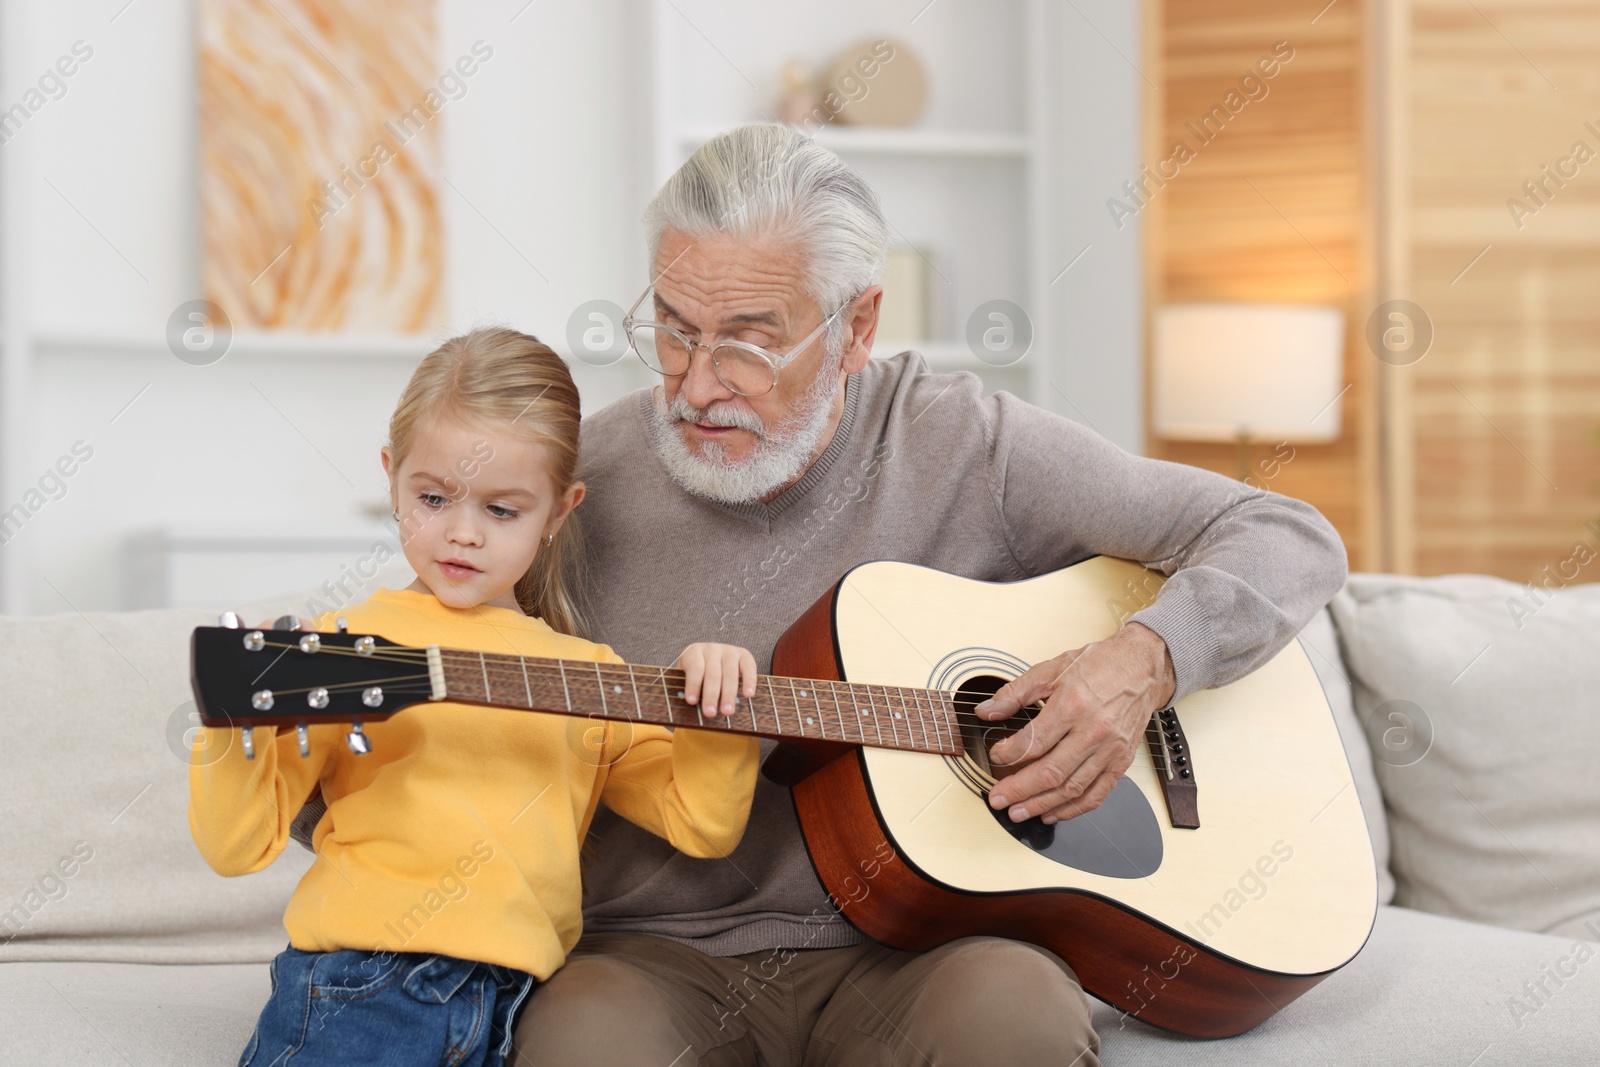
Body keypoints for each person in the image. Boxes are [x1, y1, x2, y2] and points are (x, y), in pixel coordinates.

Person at [508, 124, 1350, 1066]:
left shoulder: (968, 445)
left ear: (857, 327)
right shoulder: (568, 484)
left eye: (750, 343)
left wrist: (1142, 663)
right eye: (672, 327)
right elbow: (419, 652)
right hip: (649, 956)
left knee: (1016, 1021)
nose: (696, 385)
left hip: (920, 949)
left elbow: (1288, 535)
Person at [188, 328, 761, 1067]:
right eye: (432, 497)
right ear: (392, 478)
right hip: (365, 986)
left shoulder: (590, 673)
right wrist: (236, 725)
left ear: (559, 511)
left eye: (502, 510)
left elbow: (703, 824)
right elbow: (236, 847)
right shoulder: (343, 645)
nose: (461, 534)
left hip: (518, 1006)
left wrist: (715, 706)